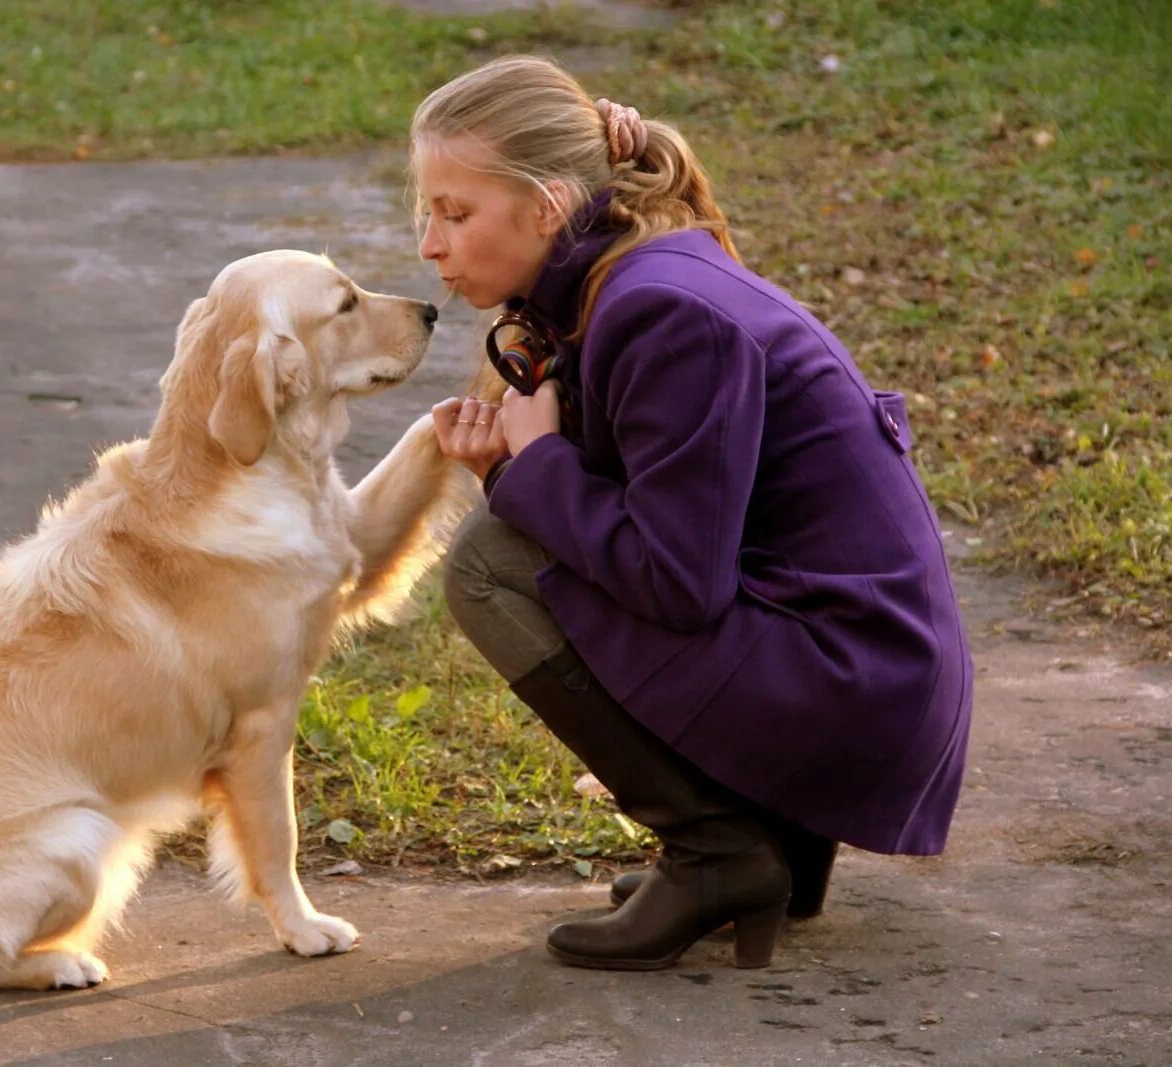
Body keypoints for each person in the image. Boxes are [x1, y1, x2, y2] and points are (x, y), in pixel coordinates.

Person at [413, 55, 973, 971]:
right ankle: (775, 834)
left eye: (455, 212)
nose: (430, 246)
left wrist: (534, 467)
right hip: (859, 674)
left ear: (547, 207)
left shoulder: (660, 311)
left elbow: (678, 582)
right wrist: (525, 458)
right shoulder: (631, 275)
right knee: (516, 535)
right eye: (429, 213)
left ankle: (718, 851)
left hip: (856, 694)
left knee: (490, 560)